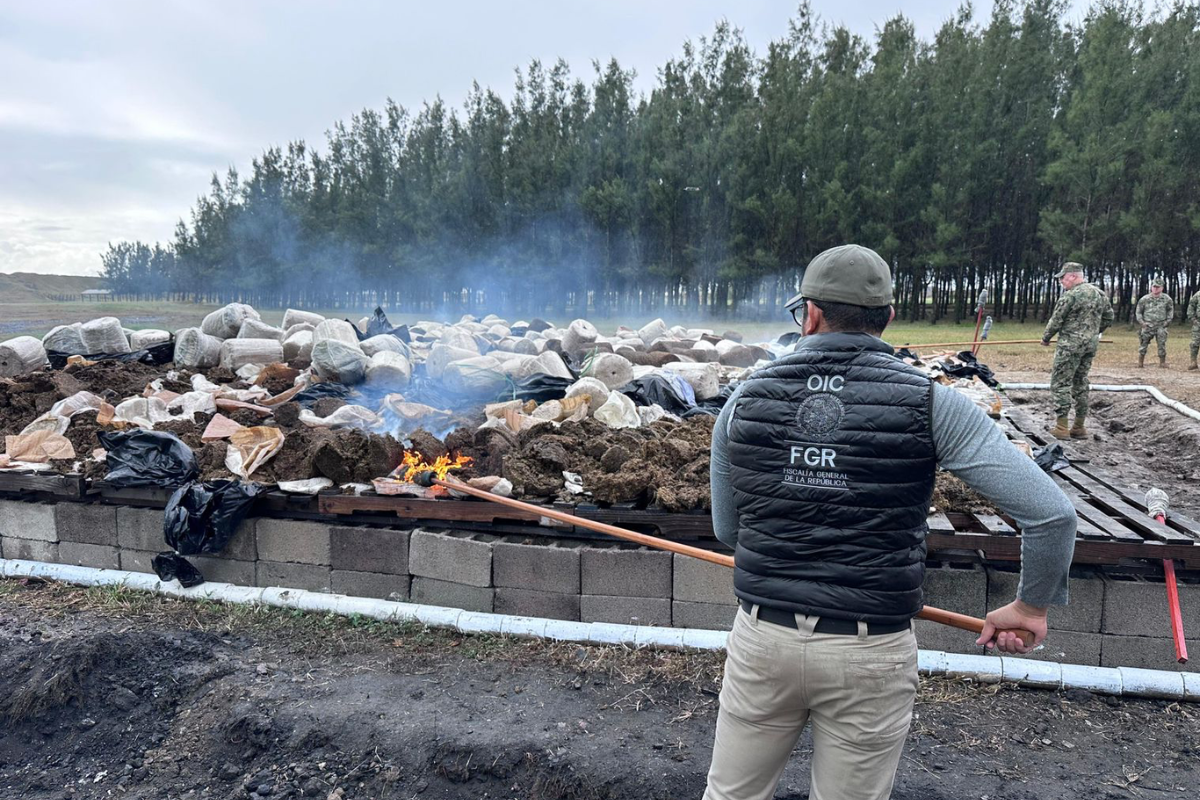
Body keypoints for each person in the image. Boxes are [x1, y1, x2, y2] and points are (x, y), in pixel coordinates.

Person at [703, 244, 1077, 800]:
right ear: (888, 319)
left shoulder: (744, 399)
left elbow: (730, 532)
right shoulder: (931, 403)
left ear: (810, 314)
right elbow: (1051, 514)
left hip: (764, 641)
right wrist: (1031, 605)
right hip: (869, 652)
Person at [1040, 262, 1114, 439]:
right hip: (1089, 346)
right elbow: (1109, 316)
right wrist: (1094, 332)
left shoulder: (1070, 296)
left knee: (1060, 383)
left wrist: (1046, 338)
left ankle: (1061, 427)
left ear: (1073, 276)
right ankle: (1079, 427)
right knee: (1080, 382)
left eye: (1063, 278)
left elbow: (1056, 320)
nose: (1061, 282)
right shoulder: (1099, 293)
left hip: (1069, 346)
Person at [1135, 279, 1174, 368]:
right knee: (1143, 344)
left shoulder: (1167, 299)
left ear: (1162, 288)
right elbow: (1138, 312)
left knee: (1162, 344)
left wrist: (1167, 321)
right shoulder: (1144, 299)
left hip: (1161, 325)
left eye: (1158, 287)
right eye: (1154, 287)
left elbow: (1170, 311)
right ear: (1151, 287)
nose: (1155, 289)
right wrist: (1142, 323)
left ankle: (1162, 363)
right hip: (1147, 325)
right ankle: (1140, 362)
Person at [1187, 289, 1200, 371]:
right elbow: (1191, 306)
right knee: (1194, 343)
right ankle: (1193, 362)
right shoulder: (1198, 295)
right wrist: (1193, 319)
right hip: (1198, 323)